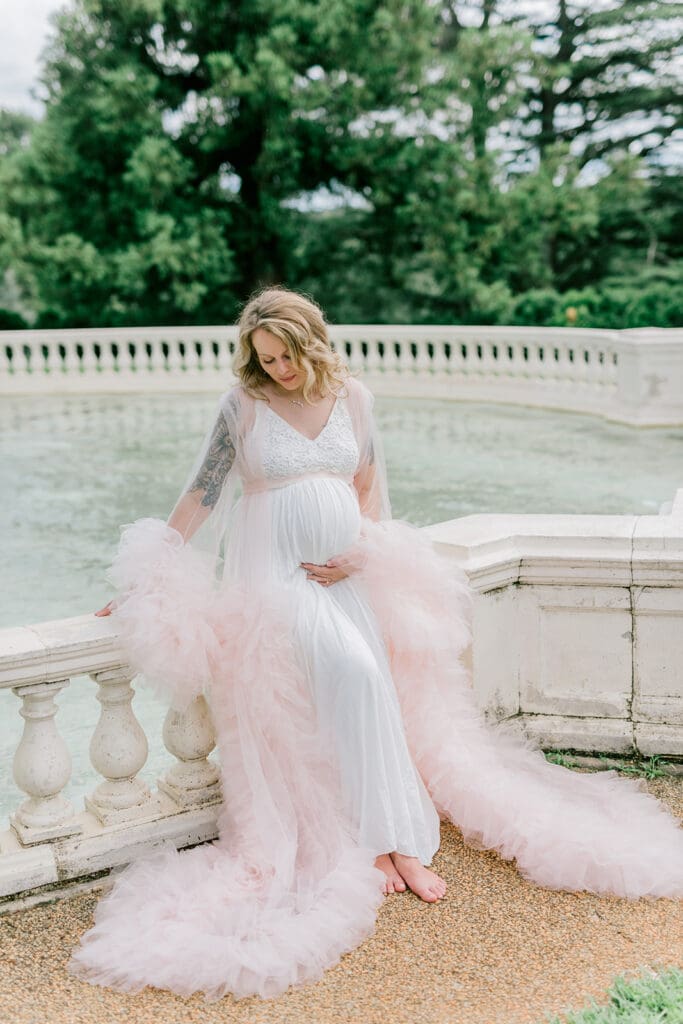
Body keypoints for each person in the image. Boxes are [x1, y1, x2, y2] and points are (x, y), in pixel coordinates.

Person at [70, 286, 683, 1003]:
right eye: (263, 359)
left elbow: (369, 488)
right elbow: (202, 493)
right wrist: (151, 573)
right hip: (271, 577)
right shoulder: (242, 404)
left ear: (311, 344)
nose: (276, 370)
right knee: (353, 676)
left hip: (345, 578)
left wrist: (367, 555)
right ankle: (361, 846)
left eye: (285, 356)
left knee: (362, 691)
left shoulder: (354, 396)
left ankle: (394, 841)